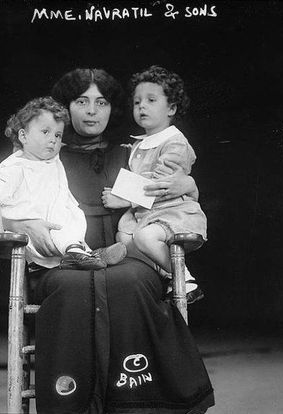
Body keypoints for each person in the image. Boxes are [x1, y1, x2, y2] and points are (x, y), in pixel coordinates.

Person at [0, 68, 214, 413]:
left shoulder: (132, 152)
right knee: (70, 288)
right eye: (81, 101)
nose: (91, 111)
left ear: (113, 109)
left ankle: (141, 404)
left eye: (101, 102)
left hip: (129, 255)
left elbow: (174, 188)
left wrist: (189, 186)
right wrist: (22, 222)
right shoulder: (45, 154)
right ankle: (72, 402)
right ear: (66, 108)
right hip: (64, 258)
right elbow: (2, 194)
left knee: (130, 281)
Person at [0, 96, 126, 270]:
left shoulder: (50, 159)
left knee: (71, 221)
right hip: (31, 234)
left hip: (54, 226)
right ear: (23, 136)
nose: (53, 139)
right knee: (62, 230)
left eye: (57, 135)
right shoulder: (14, 168)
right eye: (45, 132)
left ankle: (86, 254)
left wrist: (52, 138)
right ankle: (81, 254)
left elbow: (58, 145)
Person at [104, 65, 207, 304]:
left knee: (144, 238)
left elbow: (161, 183)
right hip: (148, 212)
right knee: (124, 237)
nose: (142, 106)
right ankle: (163, 273)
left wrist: (123, 198)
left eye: (151, 100)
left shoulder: (175, 142)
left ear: (171, 108)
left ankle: (184, 278)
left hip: (172, 210)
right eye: (137, 102)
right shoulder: (142, 143)